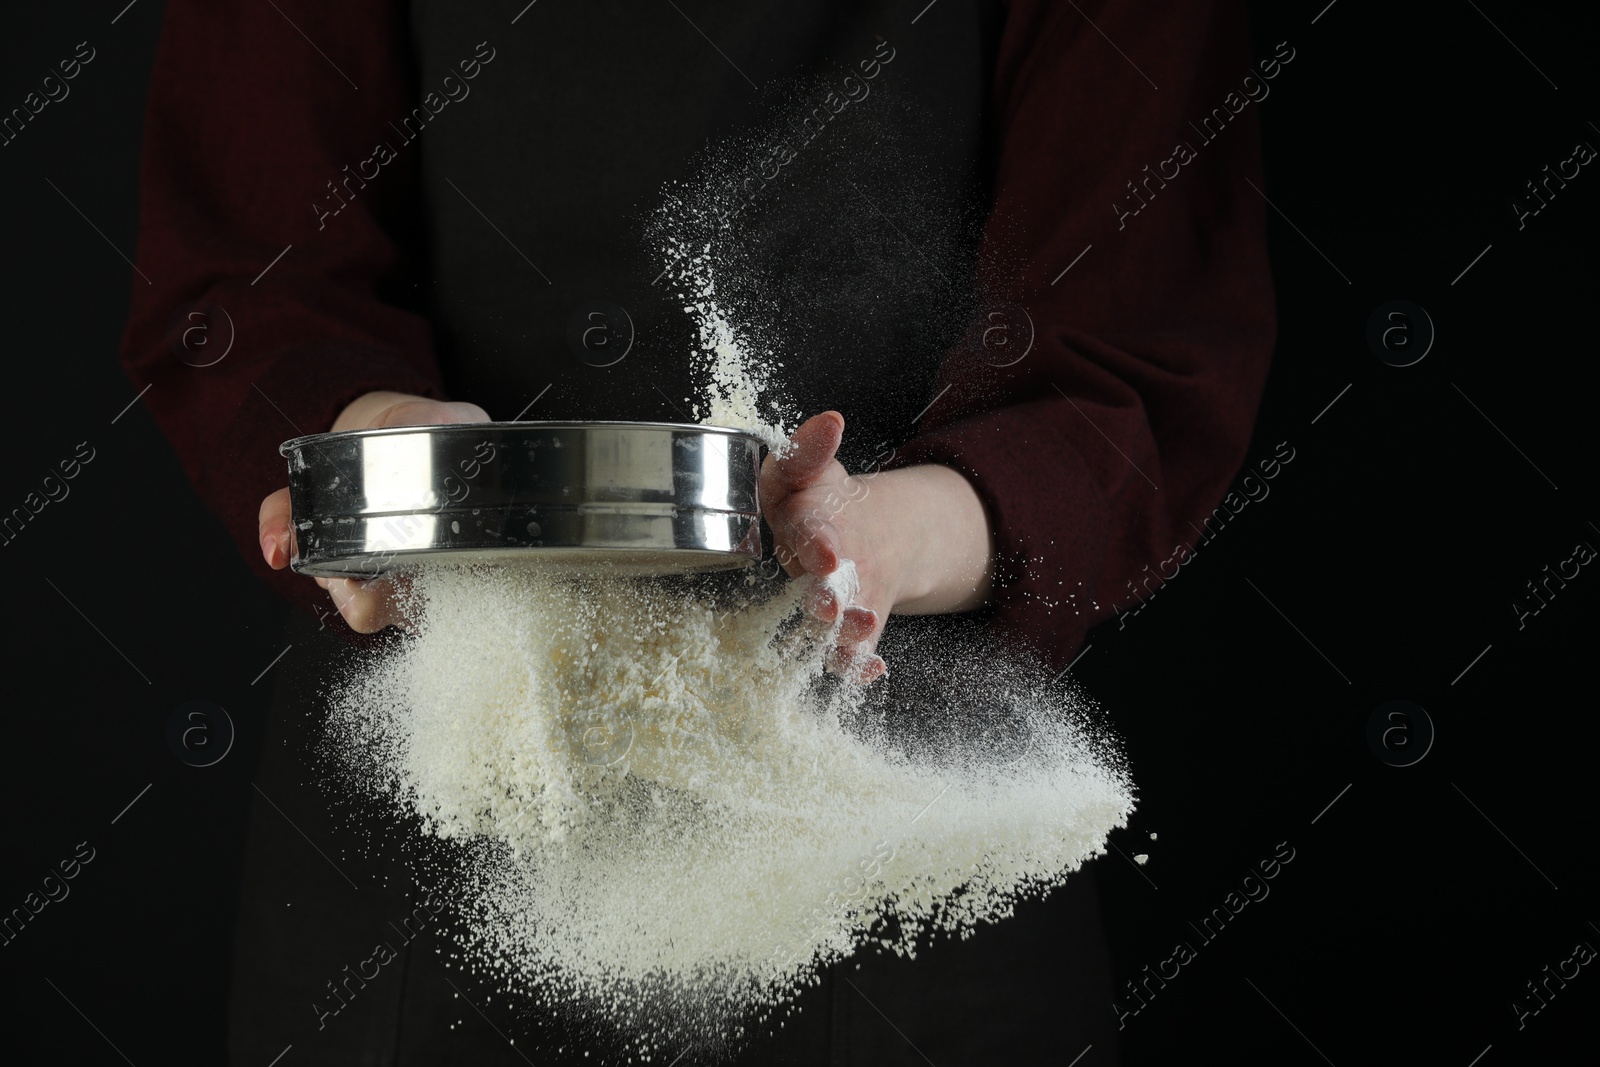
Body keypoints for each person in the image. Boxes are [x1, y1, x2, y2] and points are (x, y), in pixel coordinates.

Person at [121, 1, 1274, 1062]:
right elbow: (251, 256)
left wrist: (872, 537)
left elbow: (1134, 351)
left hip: (905, 839)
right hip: (438, 806)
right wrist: (380, 458)